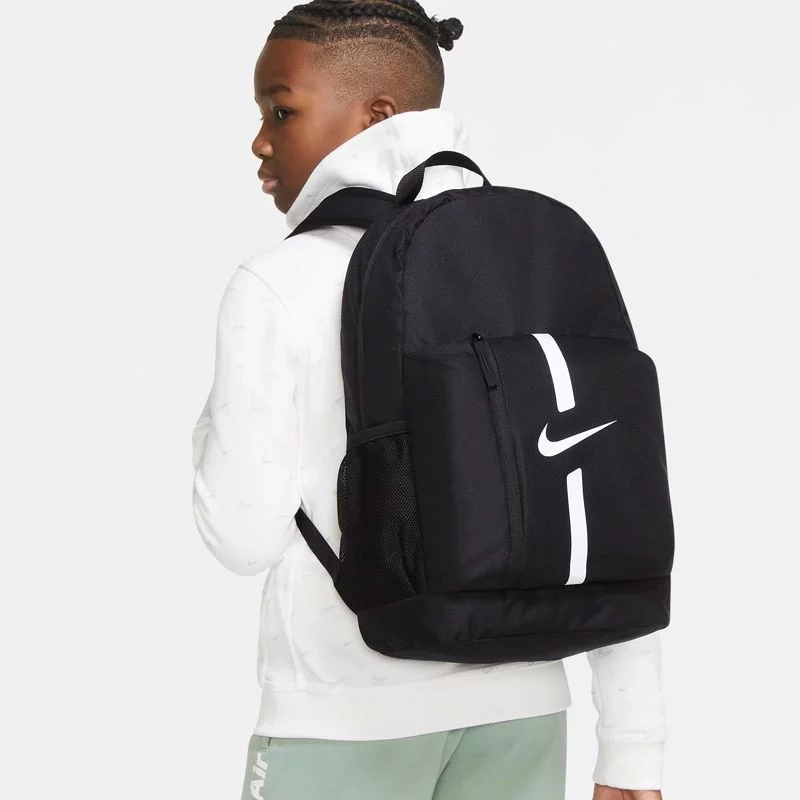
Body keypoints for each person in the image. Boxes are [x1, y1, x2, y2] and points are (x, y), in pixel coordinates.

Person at [190, 2, 667, 798]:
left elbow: (240, 535)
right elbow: (606, 511)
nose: (260, 141)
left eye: (281, 110)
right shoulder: (531, 263)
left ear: (376, 115)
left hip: (345, 719)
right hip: (524, 712)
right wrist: (631, 748)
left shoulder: (277, 283)